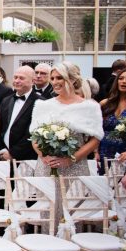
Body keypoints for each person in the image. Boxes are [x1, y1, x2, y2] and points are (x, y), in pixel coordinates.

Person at [29, 62, 103, 224]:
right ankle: (48, 243)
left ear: (72, 79)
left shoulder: (90, 107)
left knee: (72, 214)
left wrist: (71, 159)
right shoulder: (43, 105)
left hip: (75, 167)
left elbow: (96, 139)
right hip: (47, 167)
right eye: (53, 78)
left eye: (59, 78)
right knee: (47, 213)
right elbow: (34, 136)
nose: (54, 82)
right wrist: (43, 156)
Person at [0, 66, 43, 162]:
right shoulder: (6, 100)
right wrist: (1, 149)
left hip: (26, 159)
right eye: (15, 77)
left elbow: (33, 133)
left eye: (21, 78)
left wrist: (13, 153)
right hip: (3, 157)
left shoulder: (40, 102)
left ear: (33, 81)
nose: (17, 81)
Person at [98, 67, 126, 172]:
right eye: (121, 78)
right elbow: (96, 130)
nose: (124, 81)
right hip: (104, 152)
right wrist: (95, 152)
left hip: (125, 154)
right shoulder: (105, 103)